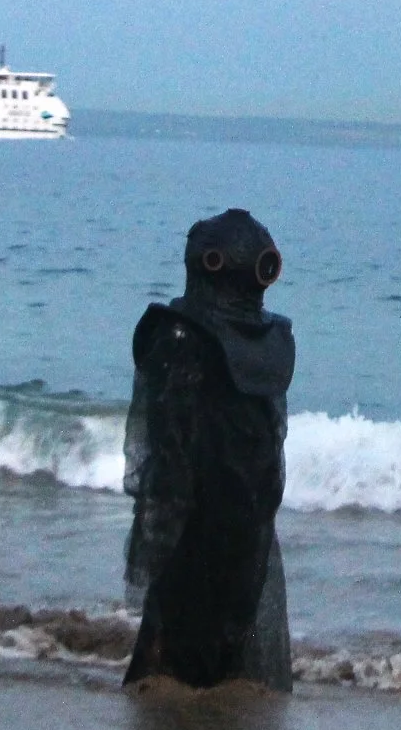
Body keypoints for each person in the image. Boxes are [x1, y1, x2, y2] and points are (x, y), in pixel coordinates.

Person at [120, 209, 295, 693]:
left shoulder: (182, 339)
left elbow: (165, 466)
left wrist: (160, 533)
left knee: (188, 653)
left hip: (212, 530)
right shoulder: (261, 346)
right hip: (234, 527)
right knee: (214, 652)